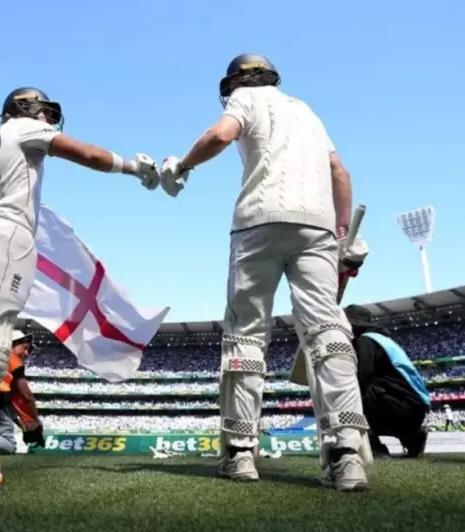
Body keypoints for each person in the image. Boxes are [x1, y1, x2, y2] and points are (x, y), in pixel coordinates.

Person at [0, 86, 160, 487]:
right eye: (44, 111)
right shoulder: (24, 128)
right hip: (7, 235)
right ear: (24, 108)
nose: (48, 119)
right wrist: (132, 167)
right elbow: (88, 154)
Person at [160, 54, 370, 491]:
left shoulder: (244, 99)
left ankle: (240, 453)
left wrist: (181, 166)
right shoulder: (306, 109)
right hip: (317, 225)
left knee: (246, 335)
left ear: (236, 80)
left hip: (258, 221)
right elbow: (340, 171)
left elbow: (221, 134)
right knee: (328, 334)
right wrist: (342, 232)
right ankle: (346, 454)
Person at [344, 305, 430, 459]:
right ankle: (412, 437)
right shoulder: (384, 339)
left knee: (352, 394)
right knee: (373, 390)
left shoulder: (365, 340)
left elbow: (362, 374)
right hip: (414, 406)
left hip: (398, 404)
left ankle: (374, 447)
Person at [0, 330, 43, 454]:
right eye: (25, 348)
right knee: (9, 445)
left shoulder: (0, 357)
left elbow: (8, 406)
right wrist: (36, 421)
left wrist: (23, 427)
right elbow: (27, 396)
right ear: (14, 343)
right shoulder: (13, 359)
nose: (27, 353)